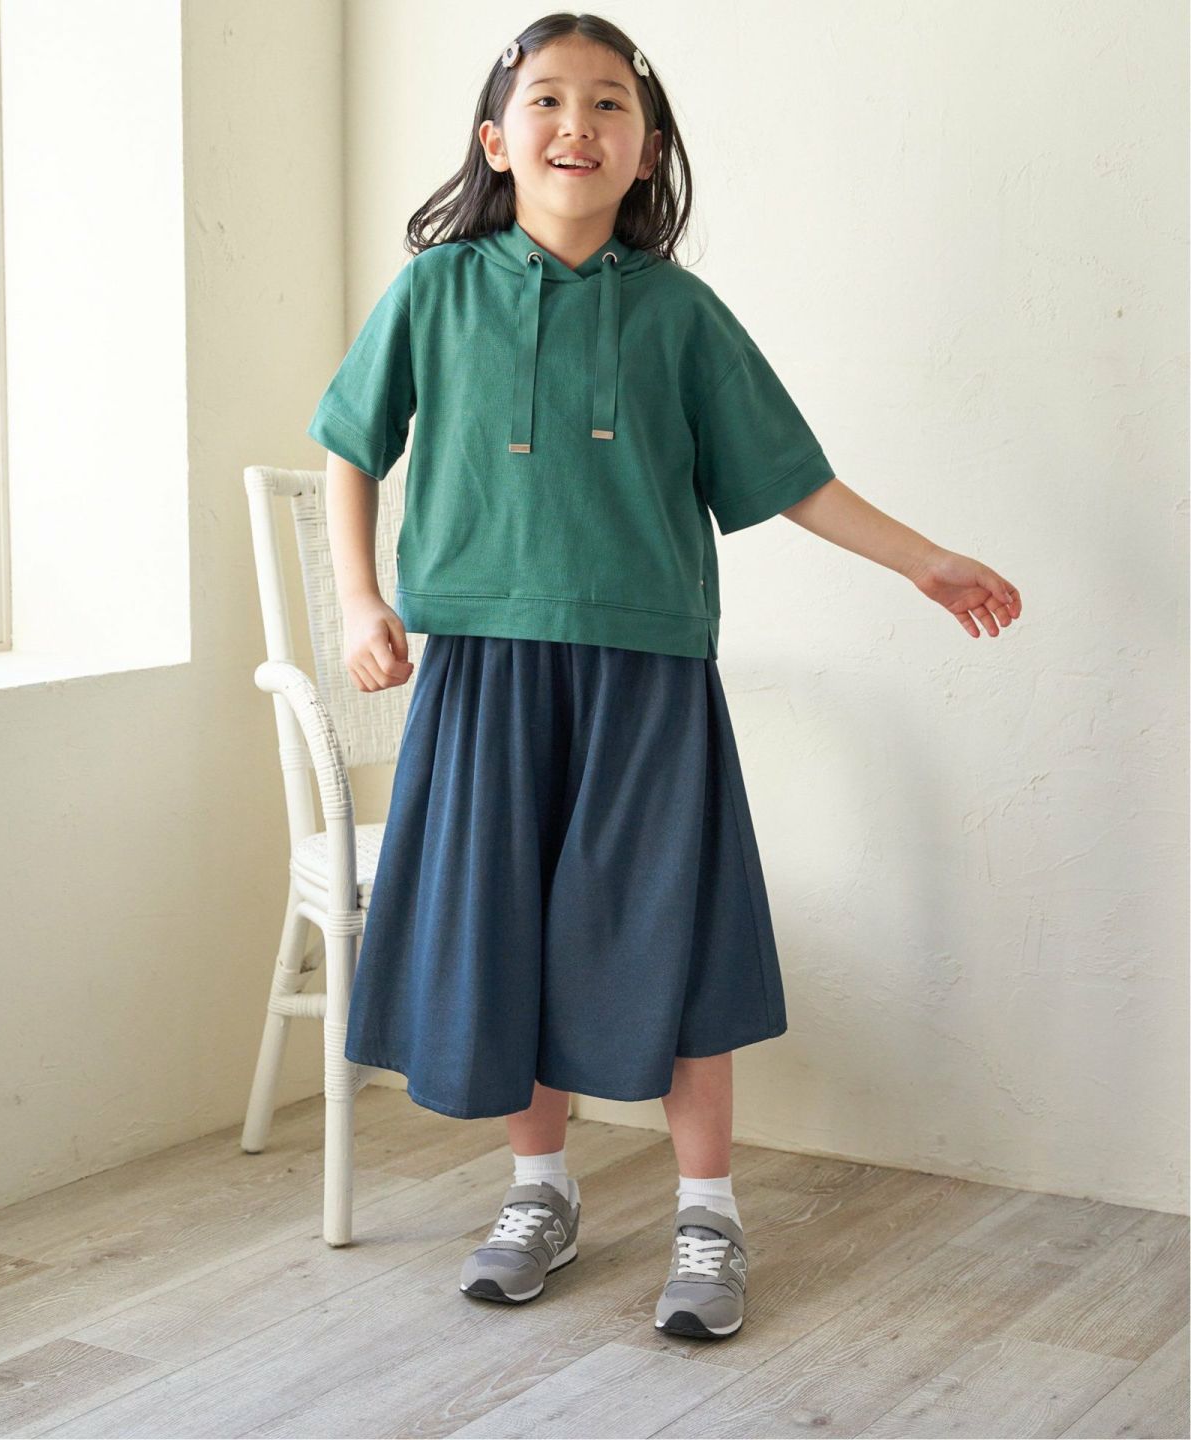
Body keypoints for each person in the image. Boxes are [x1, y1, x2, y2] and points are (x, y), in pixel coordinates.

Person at [306, 14, 1021, 1341]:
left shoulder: (681, 315)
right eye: (547, 99)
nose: (576, 123)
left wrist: (923, 560)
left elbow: (792, 478)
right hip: (481, 669)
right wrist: (359, 600)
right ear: (496, 139)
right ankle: (539, 1191)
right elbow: (352, 447)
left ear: (645, 151)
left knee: (672, 938)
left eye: (609, 104)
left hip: (648, 677)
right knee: (509, 932)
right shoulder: (433, 293)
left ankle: (709, 1215)